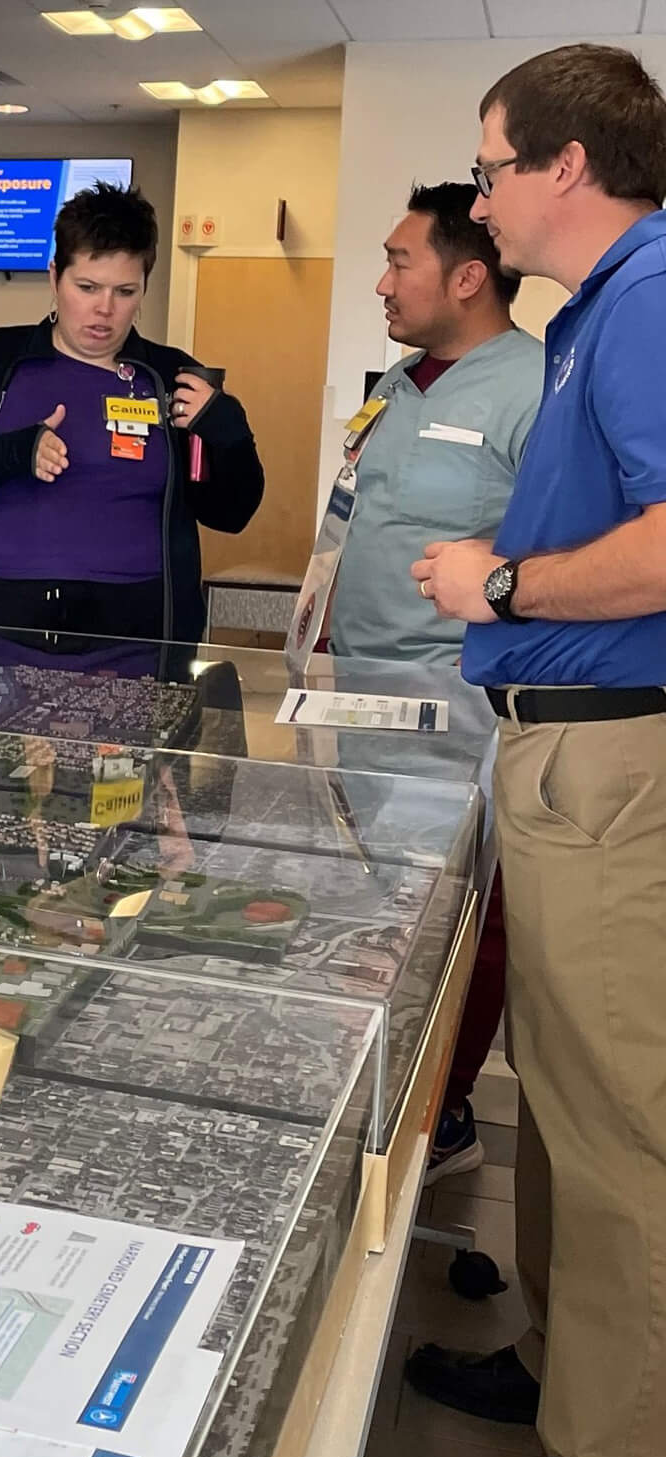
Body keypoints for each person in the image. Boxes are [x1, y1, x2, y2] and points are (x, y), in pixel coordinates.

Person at [405, 45, 666, 1457]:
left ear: (567, 165)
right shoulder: (601, 315)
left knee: (624, 1132)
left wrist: (501, 585)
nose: (482, 197)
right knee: (564, 1108)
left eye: (494, 165)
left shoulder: (651, 303)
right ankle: (574, 1363)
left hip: (616, 761)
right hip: (571, 756)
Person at [330, 180, 542, 1186]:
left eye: (398, 260)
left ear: (466, 276)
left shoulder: (531, 388)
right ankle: (374, 1091)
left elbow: (556, 555)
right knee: (373, 918)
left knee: (452, 923)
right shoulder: (394, 383)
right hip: (357, 703)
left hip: (455, 718)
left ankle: (437, 1110)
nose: (381, 281)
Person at [0, 183, 262, 645]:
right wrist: (13, 453)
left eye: (125, 291)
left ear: (144, 288)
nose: (104, 309)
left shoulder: (170, 375)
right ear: (55, 278)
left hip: (136, 642)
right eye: (87, 287)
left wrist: (229, 434)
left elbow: (231, 513)